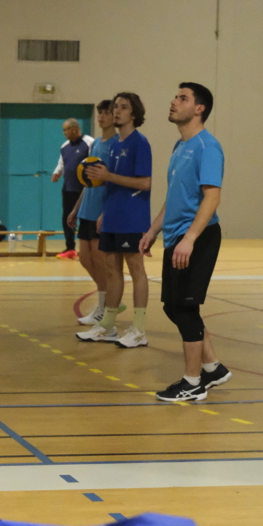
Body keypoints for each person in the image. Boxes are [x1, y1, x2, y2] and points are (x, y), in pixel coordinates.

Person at [141, 83, 230, 403]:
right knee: (173, 305)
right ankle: (213, 368)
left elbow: (212, 196)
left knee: (185, 308)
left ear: (199, 109)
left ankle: (193, 383)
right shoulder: (180, 146)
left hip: (198, 236)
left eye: (183, 98)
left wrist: (190, 239)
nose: (174, 101)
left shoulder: (208, 147)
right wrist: (153, 230)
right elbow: (175, 197)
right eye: (175, 96)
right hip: (177, 236)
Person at [76, 92, 151, 348]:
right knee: (111, 271)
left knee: (137, 271)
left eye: (123, 107)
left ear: (134, 113)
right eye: (115, 106)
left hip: (132, 217)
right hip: (112, 216)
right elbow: (110, 185)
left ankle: (139, 329)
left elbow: (145, 183)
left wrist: (109, 176)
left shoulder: (140, 143)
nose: (117, 111)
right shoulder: (115, 145)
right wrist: (104, 213)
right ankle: (107, 326)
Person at [68, 100, 121, 325]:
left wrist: (106, 211)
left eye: (106, 113)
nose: (101, 117)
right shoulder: (96, 143)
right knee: (85, 258)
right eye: (99, 112)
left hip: (102, 209)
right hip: (87, 209)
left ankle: (104, 307)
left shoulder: (117, 145)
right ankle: (107, 300)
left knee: (101, 262)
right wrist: (76, 208)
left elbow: (115, 181)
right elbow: (88, 179)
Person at [51, 118, 93, 258]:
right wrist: (57, 172)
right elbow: (62, 163)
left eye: (65, 129)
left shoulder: (89, 142)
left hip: (85, 189)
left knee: (86, 219)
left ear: (74, 129)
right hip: (69, 188)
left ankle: (88, 248)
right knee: (67, 218)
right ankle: (70, 248)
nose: (64, 132)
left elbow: (93, 161)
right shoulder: (64, 146)